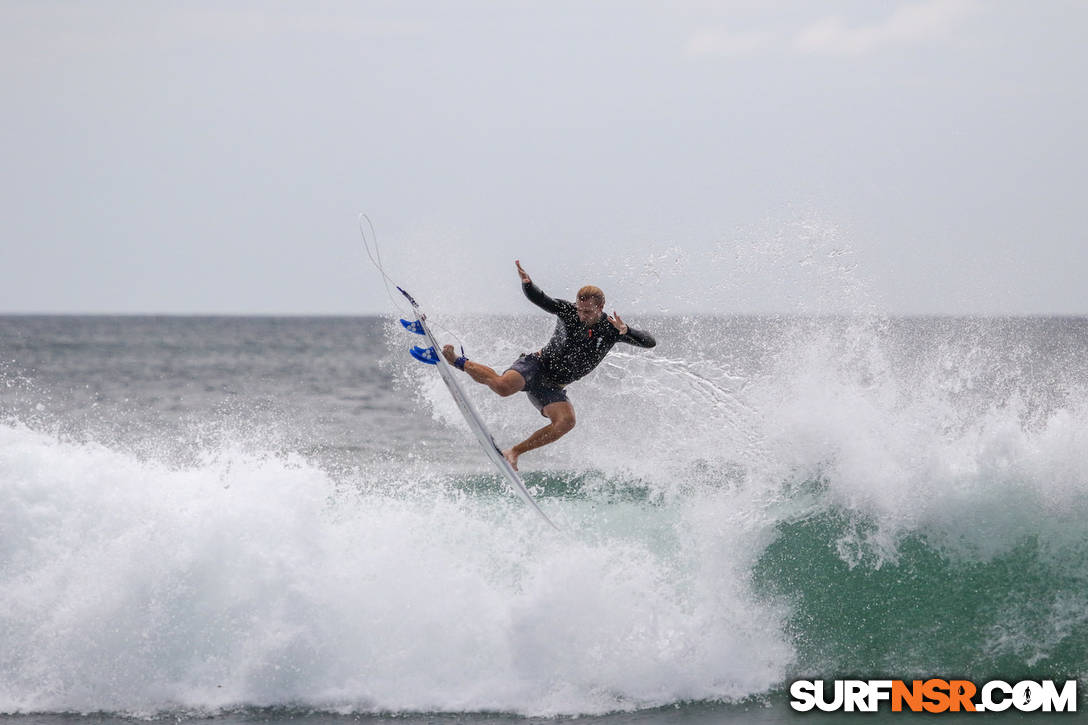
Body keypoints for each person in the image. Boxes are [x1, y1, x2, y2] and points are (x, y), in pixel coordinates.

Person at [442, 260, 656, 470]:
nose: (581, 315)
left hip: (553, 386)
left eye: (588, 312)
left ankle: (514, 452)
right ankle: (459, 361)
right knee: (503, 387)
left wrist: (627, 330)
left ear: (601, 308)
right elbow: (541, 299)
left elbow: (650, 342)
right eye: (580, 309)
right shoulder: (568, 310)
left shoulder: (612, 329)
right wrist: (527, 284)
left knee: (566, 422)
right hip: (536, 365)